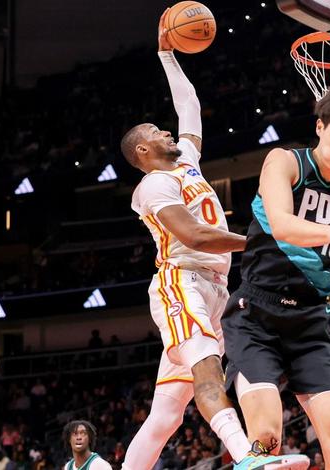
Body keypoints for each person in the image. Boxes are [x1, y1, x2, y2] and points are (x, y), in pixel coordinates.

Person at [120, 10, 308, 470]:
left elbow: (189, 103)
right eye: (155, 132)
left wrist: (166, 54)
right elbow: (194, 234)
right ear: (143, 150)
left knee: (166, 416)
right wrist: (259, 242)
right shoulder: (153, 186)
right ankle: (247, 458)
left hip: (215, 287)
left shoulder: (186, 162)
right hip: (181, 282)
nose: (167, 131)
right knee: (208, 370)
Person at [221, 84, 330, 469]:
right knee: (266, 438)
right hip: (256, 316)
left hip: (312, 322)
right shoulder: (284, 163)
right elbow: (281, 224)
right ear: (320, 127)